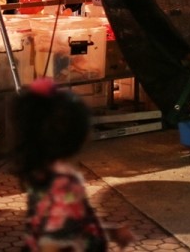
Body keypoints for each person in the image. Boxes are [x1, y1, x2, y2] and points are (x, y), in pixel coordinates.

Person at [11, 78, 134, 251]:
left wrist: (111, 232)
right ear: (77, 138)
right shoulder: (65, 186)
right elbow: (52, 243)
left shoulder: (39, 172)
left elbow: (70, 225)